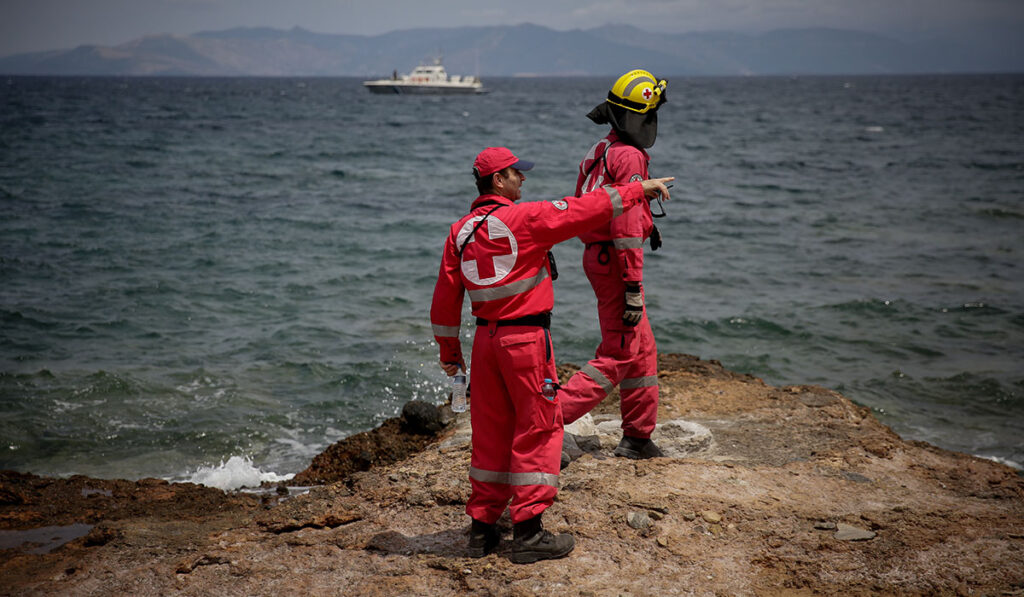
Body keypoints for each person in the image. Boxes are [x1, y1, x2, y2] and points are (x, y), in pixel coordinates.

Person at [430, 146, 672, 563]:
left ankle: (481, 531)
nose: (523, 179)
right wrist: (637, 189)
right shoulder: (525, 219)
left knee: (490, 433)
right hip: (524, 341)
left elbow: (444, 302)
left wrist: (451, 355)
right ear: (497, 181)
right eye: (515, 174)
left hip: (484, 343)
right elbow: (583, 208)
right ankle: (528, 533)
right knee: (538, 428)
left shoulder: (459, 231)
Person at [559, 69, 669, 462]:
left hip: (599, 256)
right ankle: (546, 420)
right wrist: (633, 287)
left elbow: (589, 204)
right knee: (619, 352)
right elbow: (623, 224)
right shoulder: (630, 155)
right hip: (615, 262)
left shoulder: (600, 150)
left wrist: (647, 224)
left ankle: (637, 437)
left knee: (642, 349)